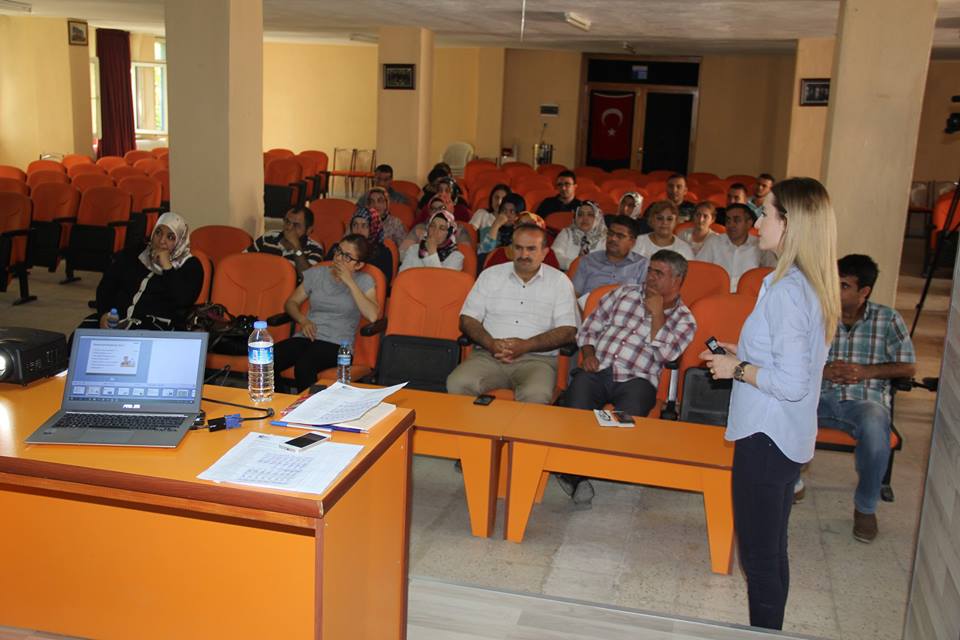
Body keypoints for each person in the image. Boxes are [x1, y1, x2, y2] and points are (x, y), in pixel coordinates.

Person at [701, 177, 840, 631]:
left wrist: (736, 369)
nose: (758, 222)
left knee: (759, 560)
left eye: (766, 213)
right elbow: (789, 356)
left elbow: (793, 382)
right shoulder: (803, 283)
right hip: (784, 434)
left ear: (790, 223)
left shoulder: (787, 290)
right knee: (771, 552)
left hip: (766, 435)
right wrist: (740, 350)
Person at [560, 249, 696, 505]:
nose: (650, 277)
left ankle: (580, 469)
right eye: (650, 270)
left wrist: (657, 315)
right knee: (575, 408)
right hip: (598, 369)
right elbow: (589, 328)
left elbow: (666, 355)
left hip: (638, 380)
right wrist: (588, 354)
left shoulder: (685, 319)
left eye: (659, 273)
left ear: (677, 280)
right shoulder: (622, 293)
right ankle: (578, 472)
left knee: (622, 423)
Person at [817, 254, 916, 542]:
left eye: (844, 286)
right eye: (833, 283)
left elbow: (908, 367)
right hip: (819, 396)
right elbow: (794, 360)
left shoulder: (888, 319)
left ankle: (865, 508)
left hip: (864, 402)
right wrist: (824, 370)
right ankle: (792, 482)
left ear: (864, 292)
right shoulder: (819, 316)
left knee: (875, 427)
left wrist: (865, 372)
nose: (835, 290)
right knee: (784, 410)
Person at [447, 224, 578, 404]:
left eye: (531, 249)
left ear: (545, 252)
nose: (524, 255)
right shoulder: (490, 275)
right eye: (518, 248)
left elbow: (568, 331)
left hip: (537, 360)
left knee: (536, 395)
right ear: (510, 250)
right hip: (489, 355)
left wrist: (526, 345)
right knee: (457, 383)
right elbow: (467, 319)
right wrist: (490, 343)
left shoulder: (559, 282)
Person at [274, 234, 379, 391]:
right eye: (339, 251)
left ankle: (312, 406)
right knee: (267, 359)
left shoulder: (364, 280)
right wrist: (303, 320)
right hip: (307, 336)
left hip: (337, 345)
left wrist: (350, 282)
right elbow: (291, 303)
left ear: (358, 265)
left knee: (304, 366)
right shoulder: (317, 273)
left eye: (347, 256)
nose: (338, 258)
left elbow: (373, 315)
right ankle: (281, 400)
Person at [85, 211, 203, 331]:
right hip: (117, 320)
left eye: (170, 237)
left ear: (180, 241)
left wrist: (167, 267)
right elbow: (106, 286)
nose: (161, 241)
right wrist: (104, 313)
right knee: (82, 332)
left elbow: (183, 300)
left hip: (154, 327)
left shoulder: (191, 266)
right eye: (158, 232)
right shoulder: (135, 253)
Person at [697, 203, 777, 290]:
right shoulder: (714, 242)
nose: (731, 225)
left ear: (749, 223)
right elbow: (699, 270)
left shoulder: (760, 246)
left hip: (749, 295)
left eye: (737, 220)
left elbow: (774, 272)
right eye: (728, 221)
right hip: (716, 294)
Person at [571, 215, 649, 302]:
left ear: (632, 242)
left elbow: (645, 300)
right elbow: (574, 296)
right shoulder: (588, 261)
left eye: (620, 236)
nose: (613, 238)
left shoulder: (642, 265)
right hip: (588, 309)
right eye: (610, 234)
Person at [246, 206, 325, 278]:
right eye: (287, 222)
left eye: (296, 225)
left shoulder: (315, 248)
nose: (289, 228)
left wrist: (296, 247)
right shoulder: (268, 238)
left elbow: (308, 278)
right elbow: (244, 260)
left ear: (308, 230)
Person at [328, 206, 393, 287]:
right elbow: (324, 274)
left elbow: (381, 285)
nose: (358, 230)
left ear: (373, 228)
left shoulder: (383, 253)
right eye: (355, 225)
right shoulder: (337, 249)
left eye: (364, 225)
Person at [482, 211, 561, 269]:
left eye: (530, 226)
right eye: (520, 224)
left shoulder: (548, 255)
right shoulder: (500, 253)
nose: (524, 229)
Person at [399, 210, 464, 272]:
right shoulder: (414, 249)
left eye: (442, 228)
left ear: (449, 233)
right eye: (432, 226)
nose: (435, 231)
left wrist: (432, 252)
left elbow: (440, 279)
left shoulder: (456, 257)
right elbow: (402, 276)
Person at [552, 201, 607, 271]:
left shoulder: (605, 237)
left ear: (598, 218)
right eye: (580, 214)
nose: (585, 218)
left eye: (590, 215)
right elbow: (554, 256)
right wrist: (577, 265)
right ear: (575, 218)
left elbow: (609, 262)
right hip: (566, 275)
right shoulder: (567, 233)